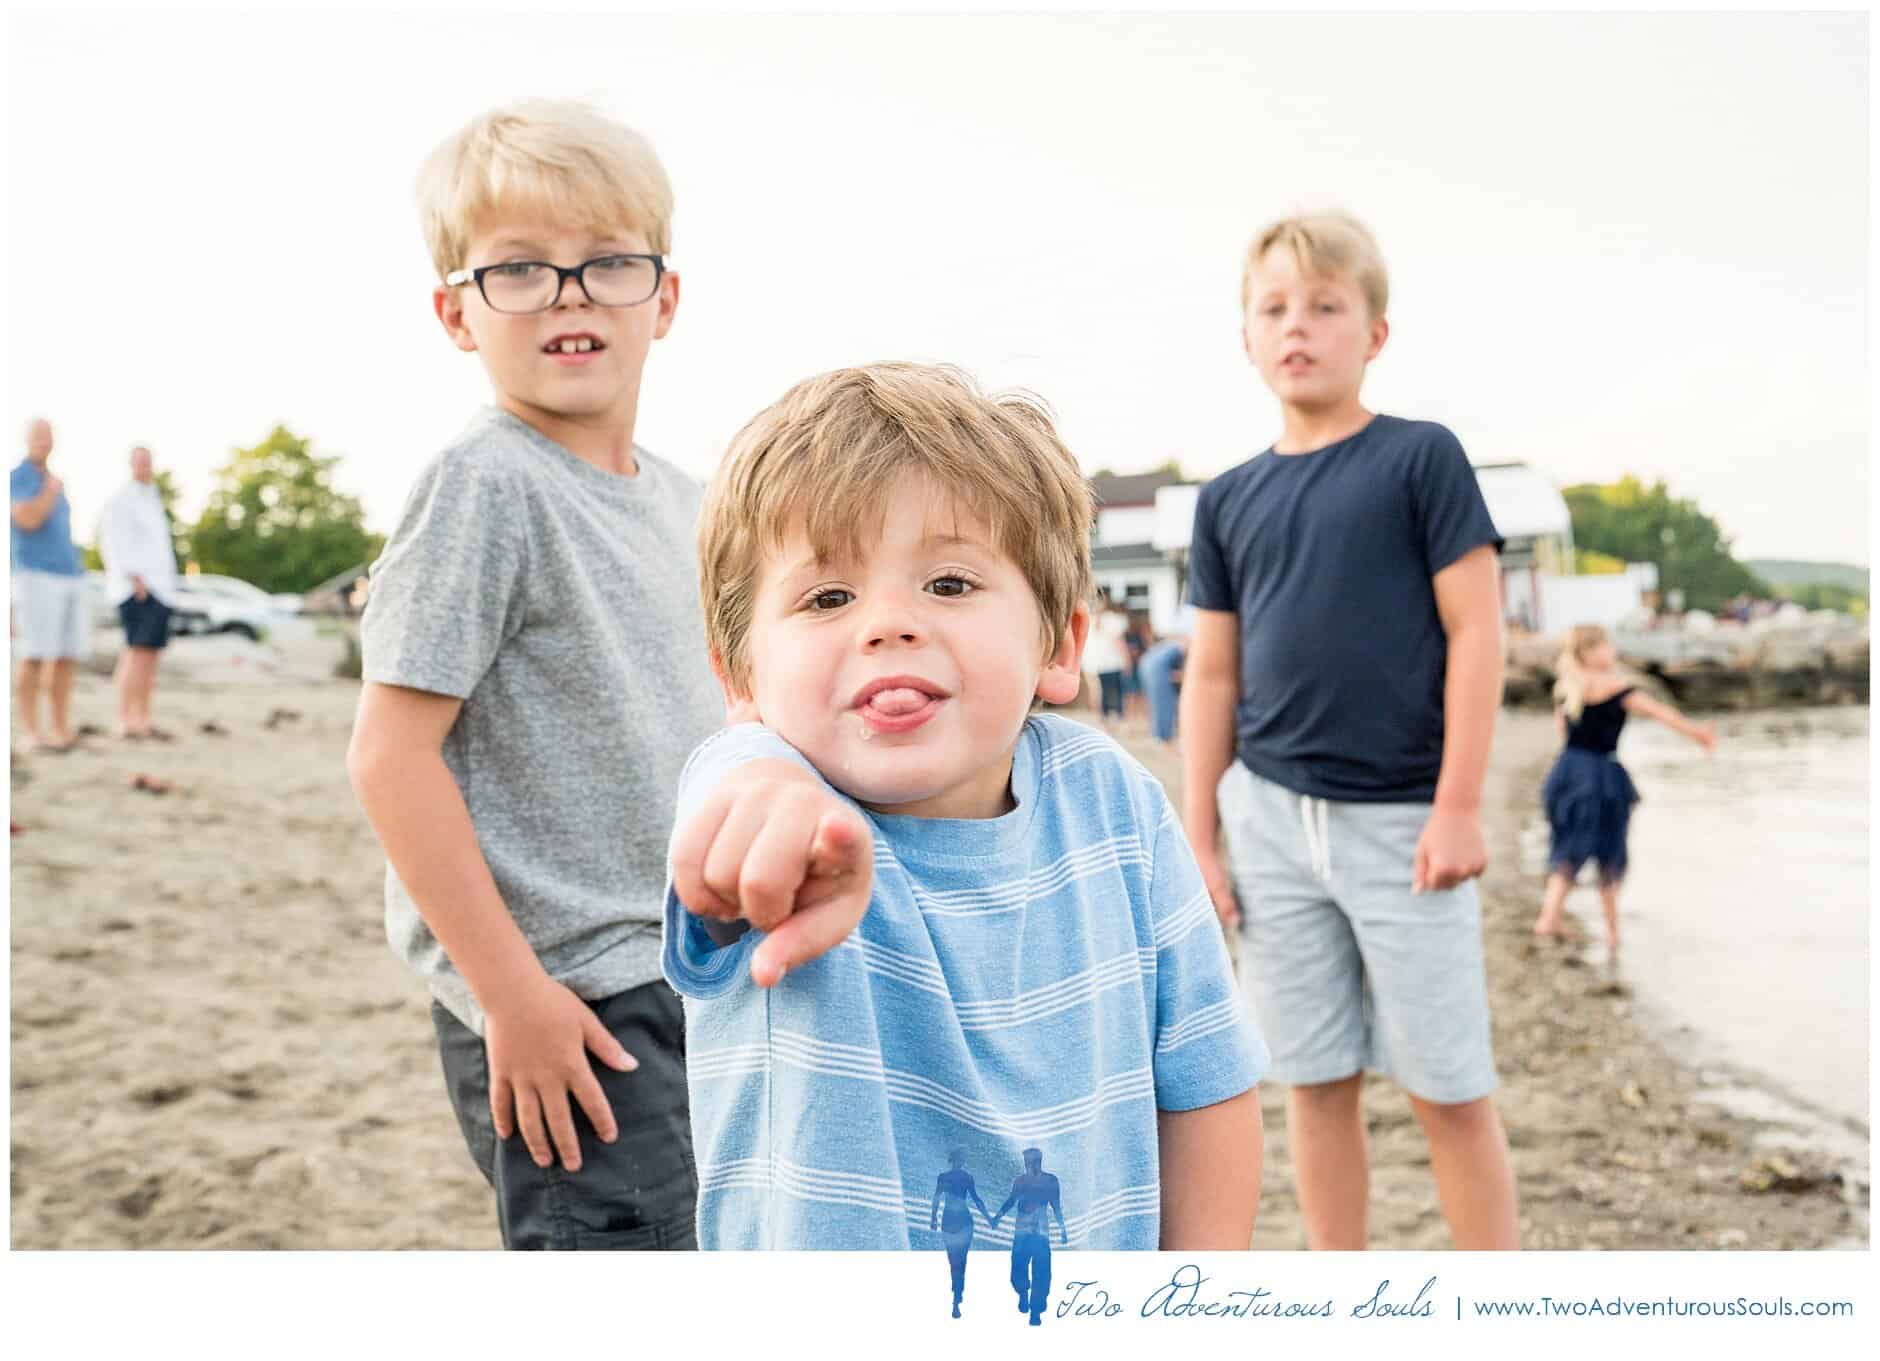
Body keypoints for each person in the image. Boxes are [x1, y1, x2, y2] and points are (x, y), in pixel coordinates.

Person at [663, 362, 1268, 1250]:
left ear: (1060, 642)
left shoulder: (1116, 806)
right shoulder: (774, 795)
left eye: (948, 584)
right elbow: (738, 797)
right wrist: (775, 804)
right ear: (740, 676)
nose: (888, 623)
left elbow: (1207, 1083)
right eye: (828, 597)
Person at [347, 99, 723, 1251]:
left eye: (605, 263)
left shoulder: (683, 498)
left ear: (663, 296)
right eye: (518, 269)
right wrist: (512, 997)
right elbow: (390, 756)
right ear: (455, 312)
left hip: (690, 969)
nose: (567, 294)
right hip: (569, 1002)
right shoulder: (483, 485)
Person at [1181, 212, 1519, 1251]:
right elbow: (1212, 671)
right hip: (1271, 819)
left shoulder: (1420, 459)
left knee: (1445, 1085)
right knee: (1309, 1078)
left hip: (1406, 820)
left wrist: (1458, 804)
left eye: (1325, 306)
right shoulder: (1227, 497)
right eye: (1273, 308)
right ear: (1244, 337)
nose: (1298, 326)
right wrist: (1199, 833)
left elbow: (1476, 631)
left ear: (1372, 330)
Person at [1533, 624, 1716, 955]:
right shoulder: (1618, 688)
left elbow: (1563, 731)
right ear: (1590, 652)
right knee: (1609, 851)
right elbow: (1663, 714)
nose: (1612, 651)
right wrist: (1699, 734)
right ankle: (1613, 933)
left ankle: (1550, 917)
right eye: (1606, 645)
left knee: (1568, 846)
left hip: (1566, 772)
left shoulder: (1567, 688)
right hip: (1601, 776)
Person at [10, 419, 87, 753]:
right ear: (27, 440)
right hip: (35, 575)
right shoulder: (21, 477)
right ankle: (30, 731)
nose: (44, 442)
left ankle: (60, 728)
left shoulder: (53, 479)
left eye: (48, 436)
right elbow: (26, 520)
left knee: (66, 654)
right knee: (35, 653)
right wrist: (49, 492)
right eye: (38, 436)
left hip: (69, 575)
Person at [98, 445, 180, 740]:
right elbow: (114, 542)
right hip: (139, 589)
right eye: (140, 462)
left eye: (148, 461)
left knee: (150, 657)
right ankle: (124, 719)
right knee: (135, 653)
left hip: (161, 589)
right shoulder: (123, 499)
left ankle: (143, 717)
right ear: (131, 464)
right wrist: (135, 579)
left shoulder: (153, 497)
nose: (145, 467)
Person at [990, 1147, 1068, 1326]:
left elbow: (1056, 1207)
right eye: (1026, 1162)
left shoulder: (1050, 1181)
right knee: (1018, 1266)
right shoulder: (1020, 1181)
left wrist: (1063, 1230)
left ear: (1037, 1162)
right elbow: (1011, 1200)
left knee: (1041, 1272)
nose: (1027, 1165)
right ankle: (1023, 1293)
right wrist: (998, 1217)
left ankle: (1036, 1310)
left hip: (1040, 1233)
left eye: (1030, 1161)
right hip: (1023, 1231)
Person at [929, 1149, 991, 1318]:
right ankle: (957, 1293)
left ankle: (957, 1295)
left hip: (952, 1221)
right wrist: (989, 1219)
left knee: (954, 1261)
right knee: (959, 1260)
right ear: (960, 1160)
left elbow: (936, 1199)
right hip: (961, 1222)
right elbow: (977, 1200)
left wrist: (933, 1218)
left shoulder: (946, 1177)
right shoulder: (964, 1178)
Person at [1139, 604, 1195, 745]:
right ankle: (1165, 737)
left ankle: (1160, 735)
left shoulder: (1175, 633)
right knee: (1166, 702)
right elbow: (1186, 651)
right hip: (1159, 664)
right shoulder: (1187, 640)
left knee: (1158, 702)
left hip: (1149, 661)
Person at [1082, 593, 1130, 728]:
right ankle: (1119, 720)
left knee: (1097, 692)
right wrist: (1127, 659)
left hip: (1092, 663)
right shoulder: (1114, 620)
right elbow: (1119, 642)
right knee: (1118, 692)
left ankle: (1100, 719)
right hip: (1112, 663)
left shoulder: (1088, 620)